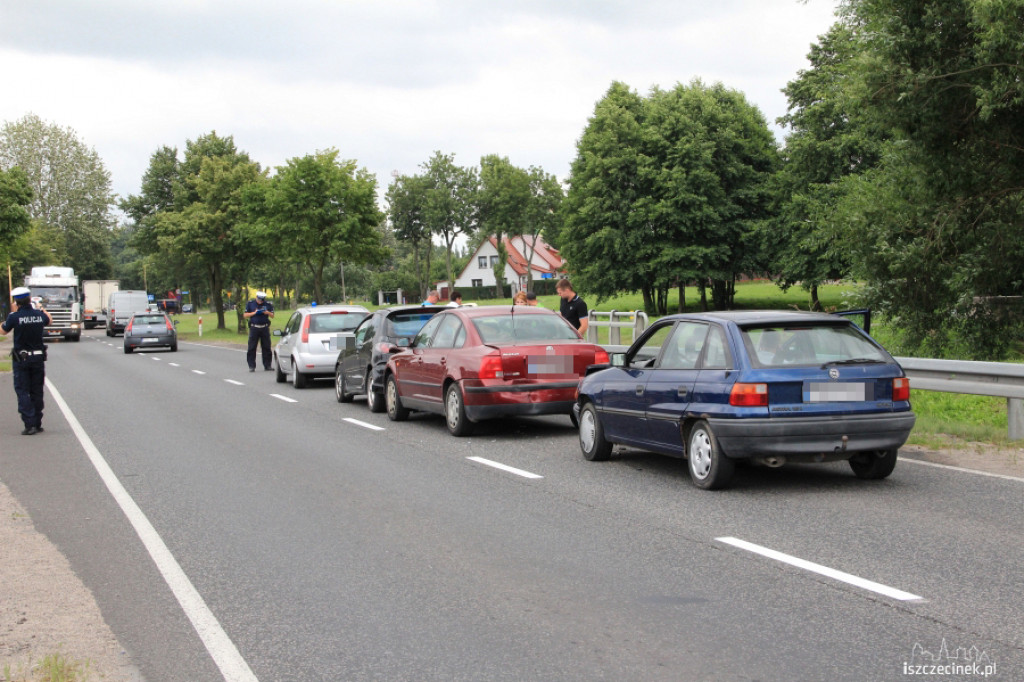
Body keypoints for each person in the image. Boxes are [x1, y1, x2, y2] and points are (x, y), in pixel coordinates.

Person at [1, 288, 51, 435]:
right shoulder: (38, 315)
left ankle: (29, 424)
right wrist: (41, 307)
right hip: (37, 358)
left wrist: (9, 317)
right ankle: (37, 423)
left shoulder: (14, 317)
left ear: (16, 301)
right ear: (30, 299)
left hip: (21, 359)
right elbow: (49, 320)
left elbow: (3, 331)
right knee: (37, 390)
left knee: (22, 390)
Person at [243, 291, 275, 372]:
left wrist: (266, 312)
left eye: (262, 300)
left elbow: (272, 316)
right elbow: (245, 315)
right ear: (256, 297)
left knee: (267, 347)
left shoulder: (267, 304)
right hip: (254, 328)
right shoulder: (250, 304)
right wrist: (254, 313)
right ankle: (251, 366)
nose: (260, 301)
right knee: (252, 347)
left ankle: (267, 365)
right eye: (259, 299)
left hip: (264, 327)